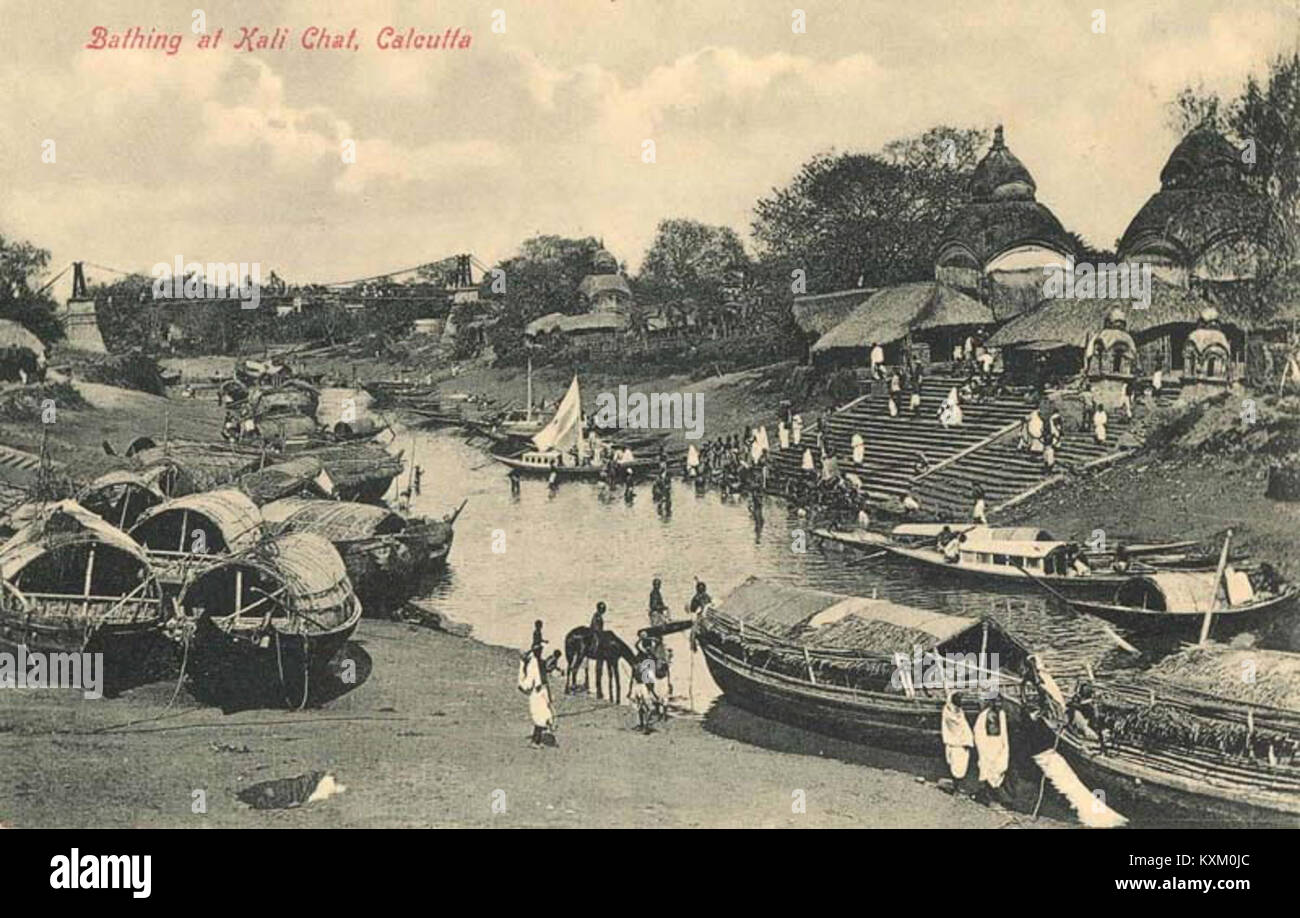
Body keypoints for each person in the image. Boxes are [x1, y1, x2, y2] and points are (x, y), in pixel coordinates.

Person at [973, 696, 1010, 802]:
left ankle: (995, 793)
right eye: (996, 702)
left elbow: (1004, 731)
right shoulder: (985, 715)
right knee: (986, 767)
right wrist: (982, 745)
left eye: (1000, 702)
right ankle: (986, 793)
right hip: (988, 743)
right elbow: (979, 731)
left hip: (999, 743)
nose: (998, 704)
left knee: (999, 767)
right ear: (992, 702)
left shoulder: (1002, 715)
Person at [942, 692, 975, 788]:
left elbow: (962, 725)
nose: (961, 702)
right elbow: (956, 725)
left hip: (960, 742)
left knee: (960, 763)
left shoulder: (958, 711)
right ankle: (956, 784)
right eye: (958, 700)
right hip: (956, 742)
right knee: (956, 763)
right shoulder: (949, 712)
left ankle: (957, 784)